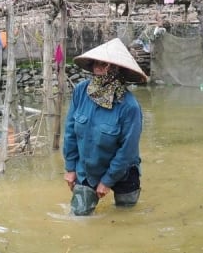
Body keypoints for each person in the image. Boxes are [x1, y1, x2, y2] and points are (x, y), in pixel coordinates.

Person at [62, 38, 148, 216]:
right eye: (96, 63)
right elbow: (70, 131)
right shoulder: (81, 91)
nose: (98, 68)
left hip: (123, 171)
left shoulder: (129, 106)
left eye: (105, 65)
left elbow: (128, 150)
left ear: (118, 71)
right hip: (88, 169)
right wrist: (70, 168)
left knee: (127, 217)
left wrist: (108, 181)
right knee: (79, 215)